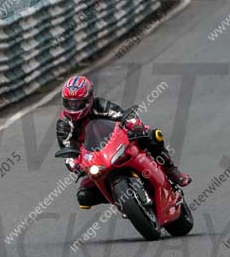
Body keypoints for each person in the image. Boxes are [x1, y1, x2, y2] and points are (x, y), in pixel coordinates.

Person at [55, 76, 191, 208]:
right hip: (95, 159)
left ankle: (171, 169)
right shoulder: (64, 124)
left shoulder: (99, 105)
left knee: (153, 135)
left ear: (89, 98)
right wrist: (75, 165)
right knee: (84, 196)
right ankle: (120, 198)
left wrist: (135, 125)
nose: (74, 106)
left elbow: (123, 115)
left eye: (78, 102)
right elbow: (68, 153)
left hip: (118, 141)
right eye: (70, 103)